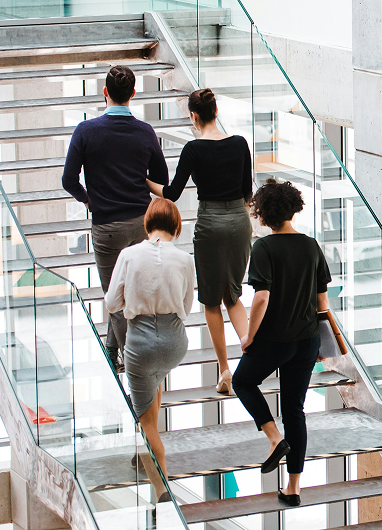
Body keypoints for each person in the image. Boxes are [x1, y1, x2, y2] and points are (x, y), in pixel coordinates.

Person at [62, 65, 169, 372]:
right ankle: (113, 350)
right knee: (132, 289)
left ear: (105, 92)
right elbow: (160, 178)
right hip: (140, 223)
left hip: (105, 226)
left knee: (114, 296)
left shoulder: (86, 131)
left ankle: (131, 359)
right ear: (133, 94)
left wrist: (88, 199)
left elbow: (69, 180)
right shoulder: (145, 132)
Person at [232, 178, 332, 508]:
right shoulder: (312, 246)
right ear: (292, 208)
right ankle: (293, 489)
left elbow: (261, 298)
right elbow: (323, 305)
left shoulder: (264, 248)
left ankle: (275, 440)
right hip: (306, 342)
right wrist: (323, 347)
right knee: (295, 411)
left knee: (242, 381)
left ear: (263, 213)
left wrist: (249, 336)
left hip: (275, 340)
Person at [147, 88, 252, 394]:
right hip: (239, 221)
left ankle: (223, 371)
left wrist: (143, 180)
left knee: (211, 299)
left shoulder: (193, 149)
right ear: (216, 111)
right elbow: (247, 190)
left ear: (194, 116)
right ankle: (250, 357)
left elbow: (172, 193)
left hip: (210, 224)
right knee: (233, 295)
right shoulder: (240, 144)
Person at [104, 198, 195, 503]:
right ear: (176, 225)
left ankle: (162, 488)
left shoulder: (129, 255)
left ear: (147, 224)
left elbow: (111, 304)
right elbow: (186, 307)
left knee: (146, 423)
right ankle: (147, 462)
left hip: (140, 342)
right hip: (174, 342)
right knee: (154, 384)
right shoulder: (184, 260)